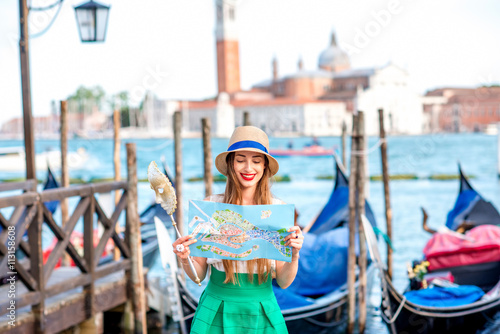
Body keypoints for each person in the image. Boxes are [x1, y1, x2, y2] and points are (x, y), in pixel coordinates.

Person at [172, 126, 303, 333]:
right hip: (215, 309)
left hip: (262, 310)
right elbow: (198, 276)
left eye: (256, 161)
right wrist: (184, 257)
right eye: (240, 160)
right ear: (231, 164)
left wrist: (294, 254)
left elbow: (285, 282)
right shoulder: (210, 207)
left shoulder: (277, 210)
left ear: (265, 167)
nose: (248, 168)